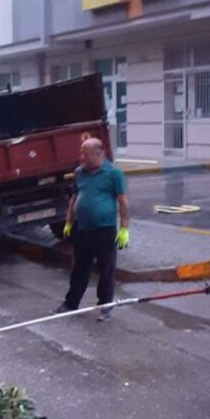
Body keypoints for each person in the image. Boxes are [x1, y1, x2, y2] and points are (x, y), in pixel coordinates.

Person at [57, 136, 129, 320]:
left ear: (99, 154)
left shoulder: (113, 174)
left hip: (104, 229)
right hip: (83, 229)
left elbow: (123, 202)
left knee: (106, 268)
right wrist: (68, 221)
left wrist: (124, 228)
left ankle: (105, 305)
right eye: (81, 152)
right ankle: (71, 303)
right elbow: (74, 197)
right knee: (79, 267)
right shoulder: (80, 173)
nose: (81, 157)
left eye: (85, 153)